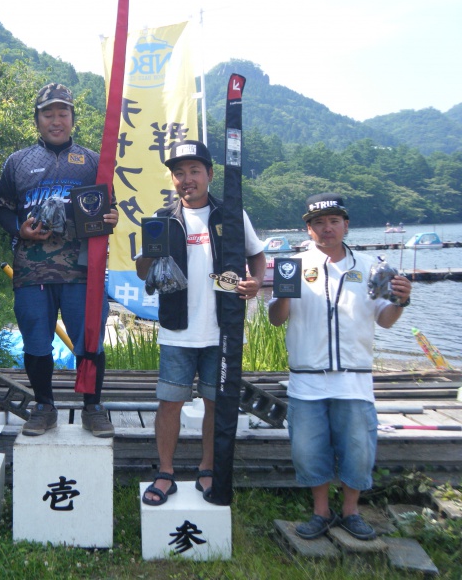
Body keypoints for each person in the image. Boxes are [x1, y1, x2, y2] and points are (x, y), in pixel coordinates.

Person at [268, 193, 412, 540]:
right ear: (309, 228)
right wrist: (284, 292)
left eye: (334, 221)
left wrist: (402, 300)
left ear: (346, 225)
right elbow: (275, 318)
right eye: (319, 222)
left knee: (358, 450)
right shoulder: (294, 265)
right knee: (307, 449)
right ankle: (321, 512)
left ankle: (351, 512)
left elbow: (386, 320)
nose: (327, 228)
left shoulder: (372, 267)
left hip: (354, 379)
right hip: (306, 380)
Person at [135, 140, 266, 505]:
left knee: (215, 404)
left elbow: (257, 256)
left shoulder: (232, 215)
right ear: (173, 179)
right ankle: (165, 473)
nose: (187, 179)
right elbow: (142, 270)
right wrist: (149, 251)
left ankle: (207, 470)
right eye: (179, 172)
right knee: (169, 404)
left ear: (210, 174)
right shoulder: (163, 219)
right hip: (177, 329)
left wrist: (254, 283)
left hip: (221, 330)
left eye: (194, 171)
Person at [0, 83, 119, 438]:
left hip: (83, 272)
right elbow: (0, 210)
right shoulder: (17, 163)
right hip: (31, 271)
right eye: (48, 113)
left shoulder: (93, 162)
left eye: (62, 112)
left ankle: (92, 407)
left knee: (89, 340)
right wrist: (20, 229)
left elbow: (108, 209)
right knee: (36, 341)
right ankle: (44, 406)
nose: (56, 120)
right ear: (37, 119)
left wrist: (110, 218)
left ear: (72, 119)